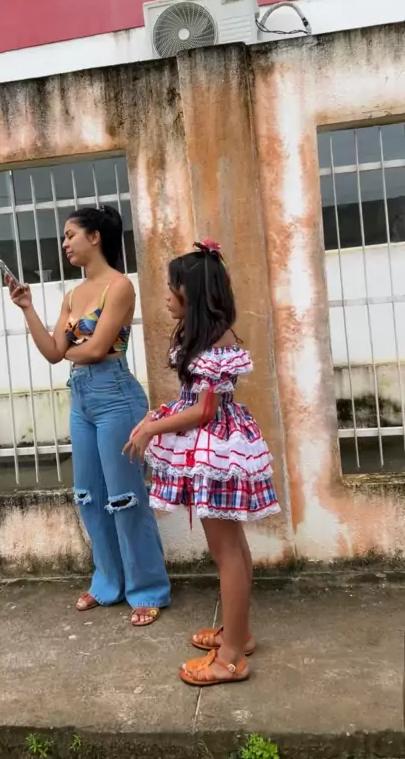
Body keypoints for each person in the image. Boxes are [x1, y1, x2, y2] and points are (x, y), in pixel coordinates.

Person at [6, 204, 170, 626]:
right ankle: (107, 582)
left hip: (116, 396)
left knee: (125, 498)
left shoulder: (119, 286)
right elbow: (52, 352)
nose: (64, 243)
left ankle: (147, 588)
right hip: (81, 398)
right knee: (89, 496)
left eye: (70, 235)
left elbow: (96, 350)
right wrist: (27, 308)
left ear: (94, 237)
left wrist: (70, 348)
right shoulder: (72, 295)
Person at [124, 238, 280, 683]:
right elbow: (192, 400)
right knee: (232, 547)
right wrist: (157, 417)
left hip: (217, 449)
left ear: (190, 293)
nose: (166, 295)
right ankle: (238, 634)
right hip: (217, 444)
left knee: (226, 551)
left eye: (171, 287)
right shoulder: (206, 336)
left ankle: (231, 658)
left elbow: (204, 410)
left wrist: (153, 427)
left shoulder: (214, 340)